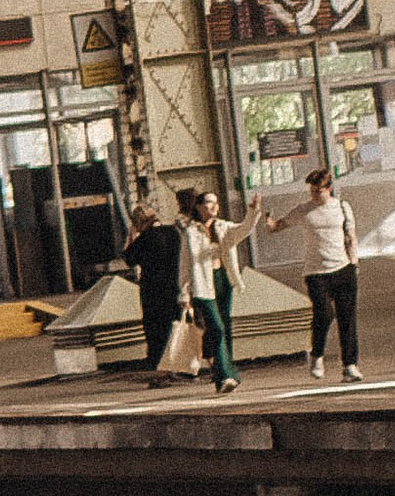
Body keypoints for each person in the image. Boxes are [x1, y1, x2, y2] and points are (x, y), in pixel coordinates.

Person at [261, 164, 364, 382]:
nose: (316, 194)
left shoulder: (342, 207)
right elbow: (276, 227)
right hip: (316, 272)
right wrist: (267, 221)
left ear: (329, 189)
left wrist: (353, 263)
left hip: (343, 268)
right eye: (312, 190)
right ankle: (317, 355)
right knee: (324, 314)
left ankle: (350, 365)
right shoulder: (303, 210)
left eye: (319, 190)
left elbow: (351, 236)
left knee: (348, 319)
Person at [174, 183, 263, 393]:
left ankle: (226, 374)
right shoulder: (191, 232)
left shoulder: (223, 227)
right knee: (217, 327)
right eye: (208, 202)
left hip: (222, 279)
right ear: (198, 207)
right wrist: (184, 291)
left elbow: (244, 229)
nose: (213, 206)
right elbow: (185, 264)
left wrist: (253, 211)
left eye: (215, 202)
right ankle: (225, 377)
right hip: (202, 284)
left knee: (224, 327)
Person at [124, 189, 186, 376]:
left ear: (137, 223)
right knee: (175, 324)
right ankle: (179, 360)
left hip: (152, 289)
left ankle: (157, 362)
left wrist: (131, 236)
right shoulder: (174, 233)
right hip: (175, 284)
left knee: (155, 327)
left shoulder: (143, 239)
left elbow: (128, 258)